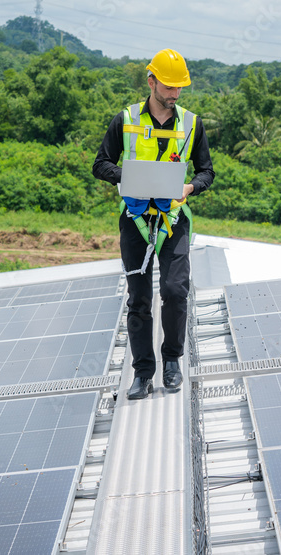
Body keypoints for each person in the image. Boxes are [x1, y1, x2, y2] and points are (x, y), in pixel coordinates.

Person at [93, 49, 214, 400]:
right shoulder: (126, 119)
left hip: (173, 220)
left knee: (175, 291)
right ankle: (143, 373)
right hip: (135, 220)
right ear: (152, 82)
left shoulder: (191, 123)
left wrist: (190, 187)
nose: (175, 93)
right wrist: (129, 178)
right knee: (139, 298)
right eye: (169, 86)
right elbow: (100, 164)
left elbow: (207, 171)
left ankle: (172, 361)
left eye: (180, 88)